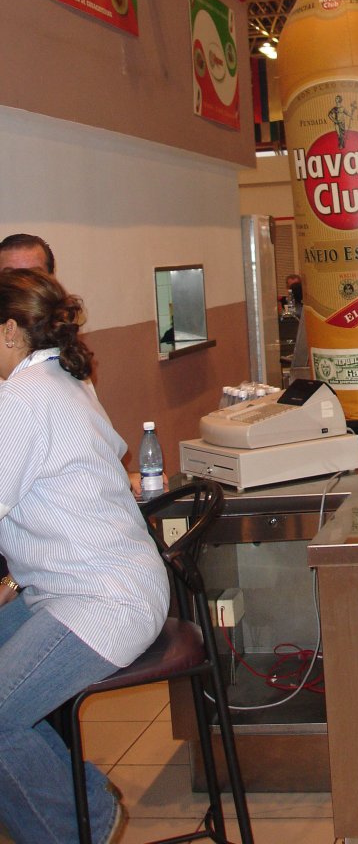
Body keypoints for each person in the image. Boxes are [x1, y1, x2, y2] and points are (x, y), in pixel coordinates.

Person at [0, 269, 169, 844]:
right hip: (99, 587)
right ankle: (79, 804)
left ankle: (83, 823)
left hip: (103, 602)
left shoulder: (23, 397)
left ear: (9, 332)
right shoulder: (64, 380)